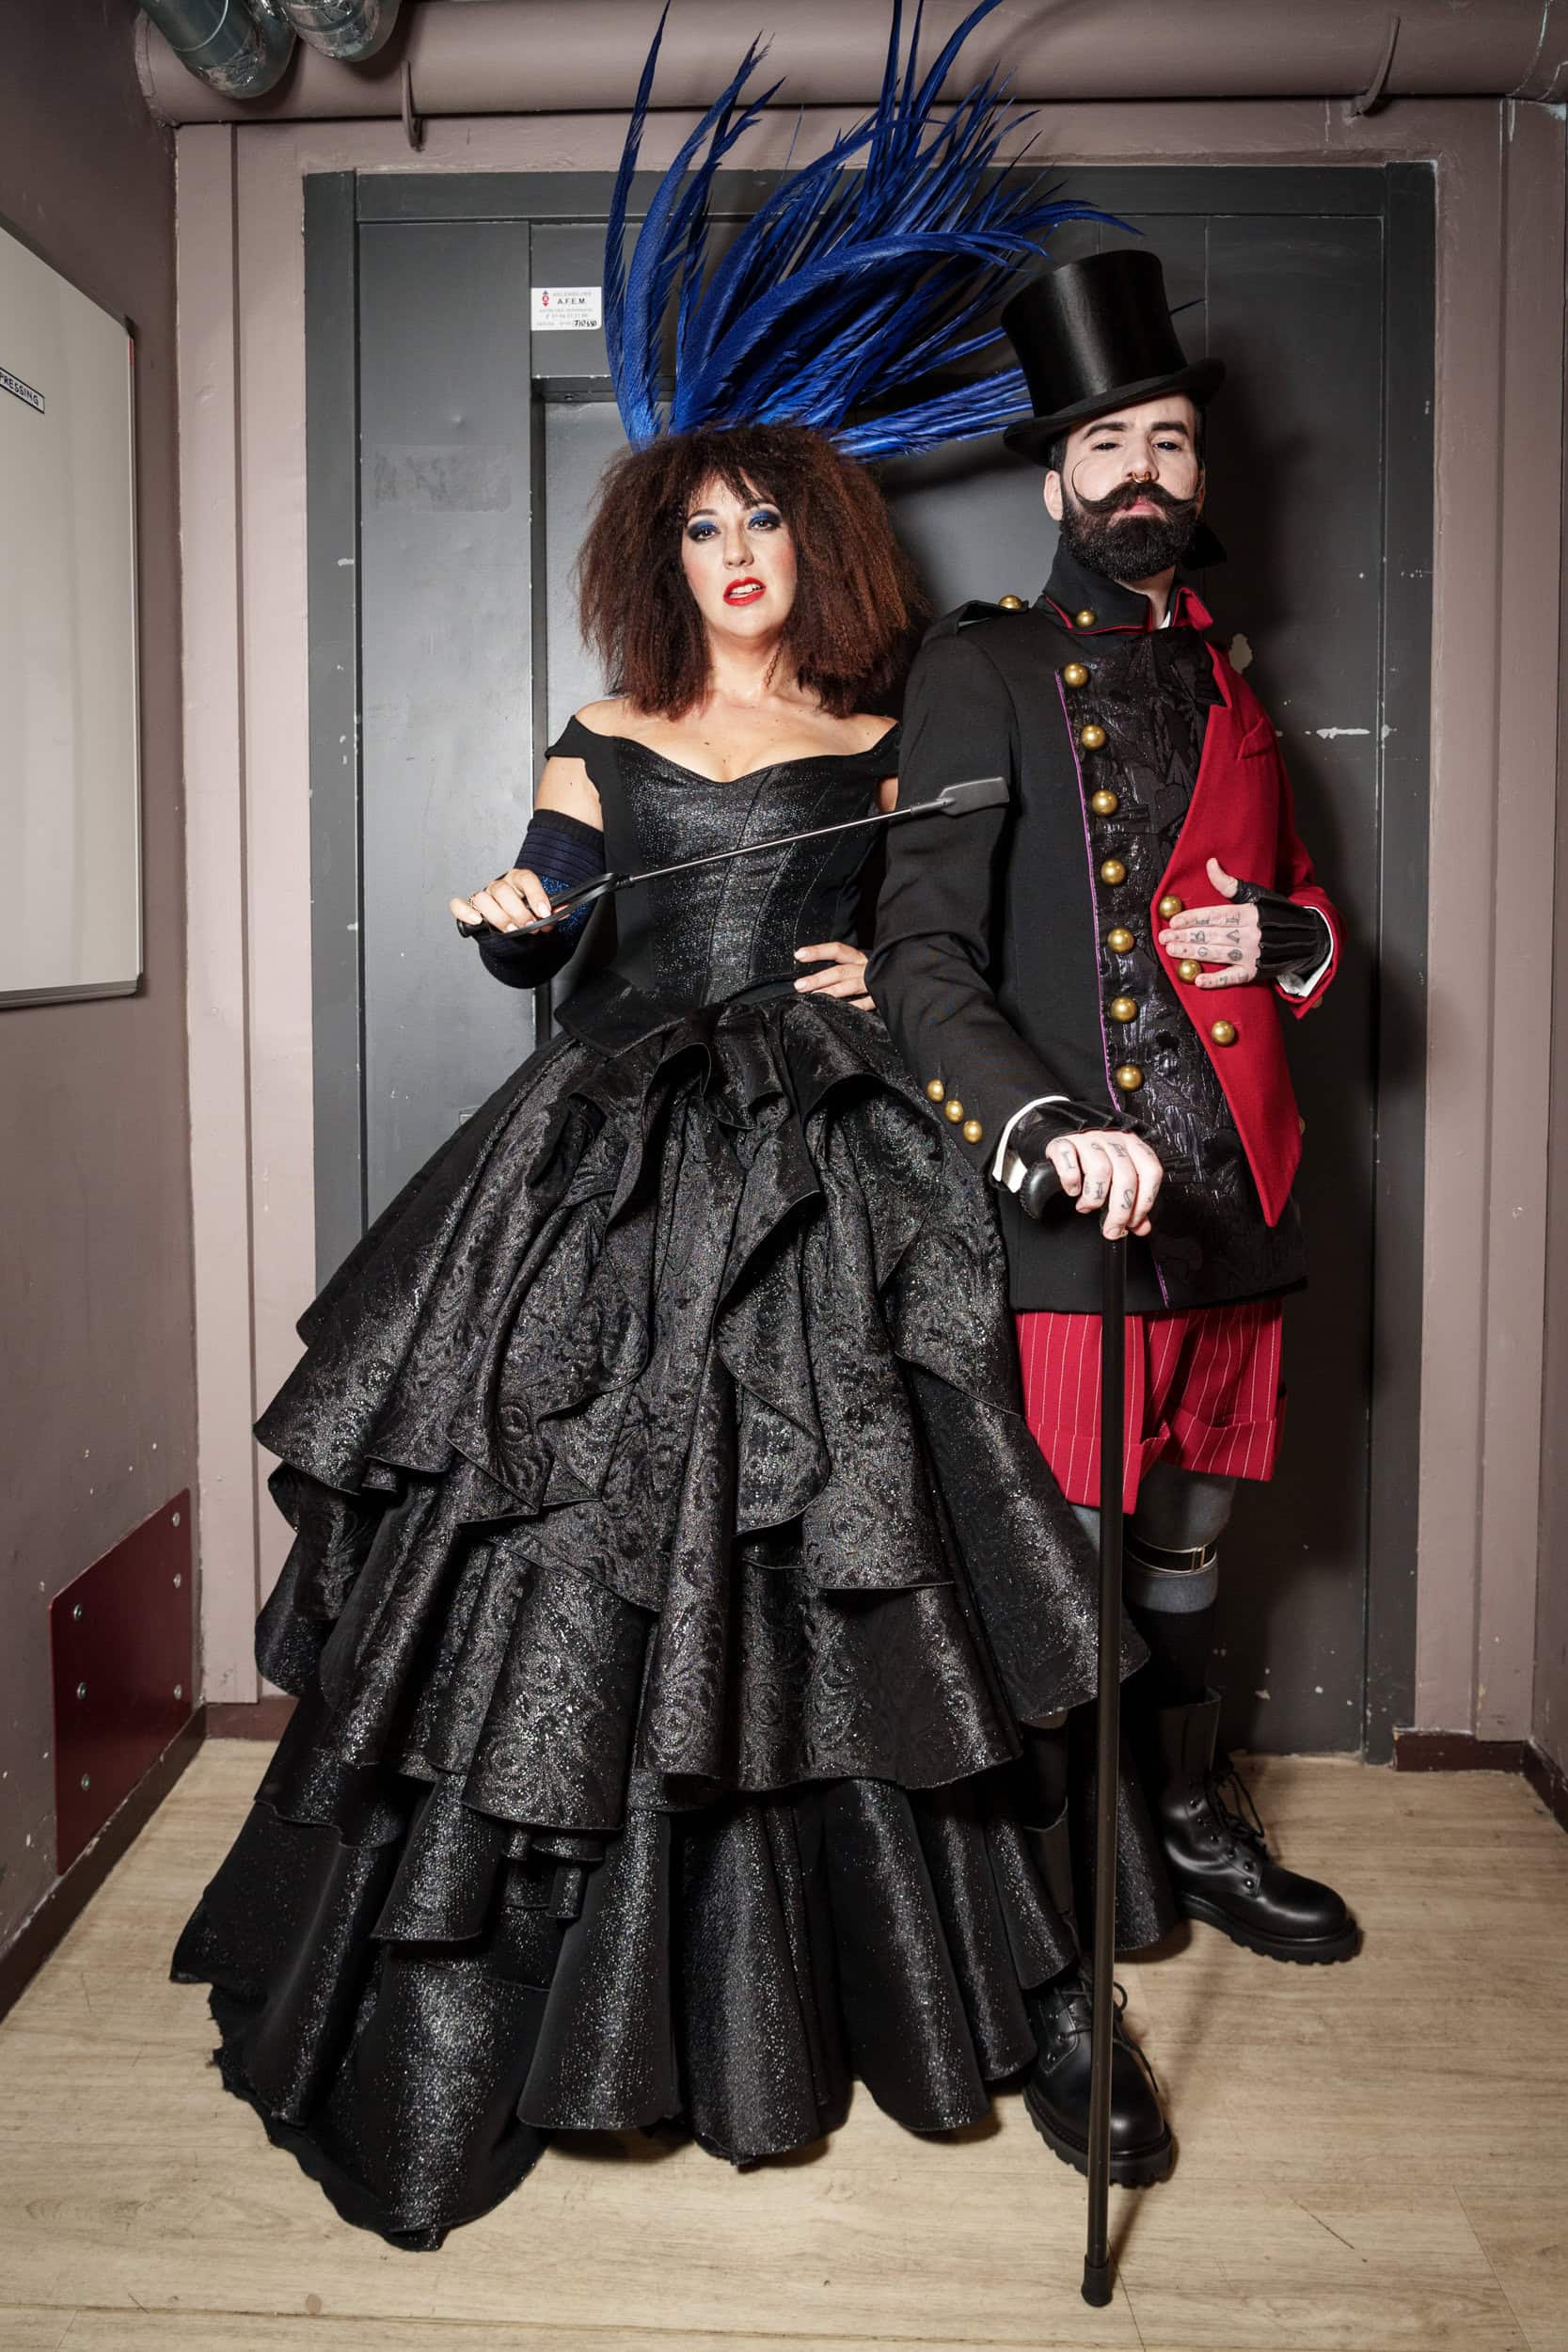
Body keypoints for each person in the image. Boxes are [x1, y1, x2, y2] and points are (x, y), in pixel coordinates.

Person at [169, 14, 1180, 2249]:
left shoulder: (893, 727)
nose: (736, 550)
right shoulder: (605, 727)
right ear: (663, 546)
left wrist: (872, 979)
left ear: (818, 534)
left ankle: (983, 1993)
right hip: (608, 1167)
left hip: (832, 1172)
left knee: (882, 1559)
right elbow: (551, 899)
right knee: (561, 1550)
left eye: (763, 518)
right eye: (702, 523)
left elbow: (936, 931)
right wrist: (520, 909)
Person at [869, 246, 1359, 1979]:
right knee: (1065, 1563)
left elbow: (1298, 911)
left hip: (1242, 1186)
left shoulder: (1231, 678)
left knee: (1192, 1536)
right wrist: (1040, 1126)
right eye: (1105, 444)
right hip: (1082, 1199)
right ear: (1054, 479)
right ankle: (1074, 1920)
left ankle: (1189, 1822)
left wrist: (1283, 936)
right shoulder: (984, 668)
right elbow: (922, 956)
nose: (1139, 471)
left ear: (1198, 475)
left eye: (1168, 441)